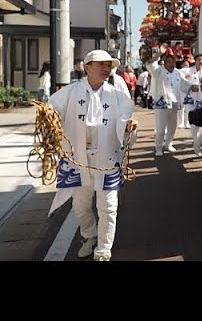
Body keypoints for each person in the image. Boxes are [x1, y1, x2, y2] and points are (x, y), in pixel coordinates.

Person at [46, 49, 138, 261]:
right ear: (87, 67)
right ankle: (89, 235)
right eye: (101, 65)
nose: (107, 69)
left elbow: (125, 121)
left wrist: (128, 128)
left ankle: (104, 249)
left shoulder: (118, 96)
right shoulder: (70, 91)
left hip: (106, 158)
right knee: (79, 205)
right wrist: (48, 114)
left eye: (109, 65)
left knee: (107, 206)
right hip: (77, 158)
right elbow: (50, 108)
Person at [146, 43, 191, 156]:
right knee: (160, 128)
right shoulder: (158, 72)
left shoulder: (177, 73)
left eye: (173, 62)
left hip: (174, 104)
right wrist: (160, 53)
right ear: (164, 62)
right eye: (169, 62)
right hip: (162, 104)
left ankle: (169, 144)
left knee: (172, 126)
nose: (171, 64)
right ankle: (158, 148)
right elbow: (150, 63)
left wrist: (194, 87)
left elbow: (185, 85)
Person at [183, 53, 202, 156]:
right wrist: (190, 87)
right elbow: (183, 84)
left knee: (201, 121)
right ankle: (195, 141)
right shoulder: (188, 71)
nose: (201, 62)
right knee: (193, 122)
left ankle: (197, 142)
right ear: (195, 61)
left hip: (201, 99)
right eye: (199, 60)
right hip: (191, 99)